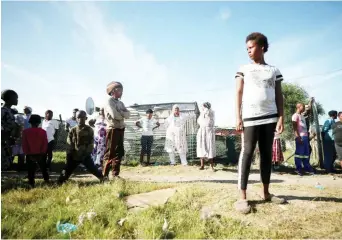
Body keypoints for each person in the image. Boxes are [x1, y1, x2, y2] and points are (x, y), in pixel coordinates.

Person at [234, 32, 286, 214]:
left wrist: (281, 117)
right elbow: (239, 93)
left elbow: (279, 95)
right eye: (247, 48)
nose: (248, 51)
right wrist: (238, 117)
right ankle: (242, 197)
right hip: (250, 117)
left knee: (266, 154)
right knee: (247, 153)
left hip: (270, 116)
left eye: (251, 47)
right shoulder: (243, 69)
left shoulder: (274, 70)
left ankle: (266, 193)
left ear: (262, 47)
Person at [58, 110, 104, 184]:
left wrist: (85, 153)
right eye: (78, 117)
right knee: (66, 170)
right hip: (74, 155)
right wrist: (70, 154)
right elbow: (69, 143)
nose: (80, 119)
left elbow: (91, 143)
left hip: (85, 156)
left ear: (85, 118)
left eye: (82, 117)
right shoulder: (73, 130)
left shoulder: (89, 130)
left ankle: (103, 179)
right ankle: (60, 182)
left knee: (93, 169)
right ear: (76, 118)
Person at [103, 81, 131, 179]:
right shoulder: (109, 101)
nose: (121, 92)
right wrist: (122, 113)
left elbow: (128, 114)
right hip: (112, 129)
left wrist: (121, 113)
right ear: (113, 91)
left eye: (122, 90)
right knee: (110, 152)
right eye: (120, 90)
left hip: (120, 129)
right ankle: (104, 175)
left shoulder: (120, 102)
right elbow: (115, 115)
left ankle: (115, 174)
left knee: (119, 152)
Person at [22, 114, 49, 187]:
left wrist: (27, 153)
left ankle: (31, 184)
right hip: (41, 154)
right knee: (43, 169)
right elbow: (45, 143)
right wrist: (42, 153)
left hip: (30, 154)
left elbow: (24, 144)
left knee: (30, 170)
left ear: (30, 122)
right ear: (39, 122)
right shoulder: (43, 132)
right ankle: (47, 181)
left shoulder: (25, 132)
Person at [292, 103, 315, 176]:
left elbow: (308, 111)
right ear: (299, 107)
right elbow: (295, 128)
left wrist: (310, 102)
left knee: (306, 154)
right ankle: (298, 169)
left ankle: (307, 168)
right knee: (299, 154)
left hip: (305, 137)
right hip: (300, 137)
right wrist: (298, 137)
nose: (305, 108)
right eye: (303, 107)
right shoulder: (295, 116)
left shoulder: (302, 116)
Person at [1, 90, 19, 171]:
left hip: (8, 139)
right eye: (15, 98)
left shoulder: (10, 111)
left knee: (7, 162)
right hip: (3, 140)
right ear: (8, 99)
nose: (17, 100)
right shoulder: (2, 111)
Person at [196, 102, 216, 171]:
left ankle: (211, 166)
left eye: (204, 106)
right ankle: (202, 165)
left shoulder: (211, 112)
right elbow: (199, 121)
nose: (203, 108)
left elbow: (210, 118)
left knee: (209, 147)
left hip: (209, 131)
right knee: (201, 147)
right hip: (202, 131)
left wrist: (207, 110)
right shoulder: (201, 114)